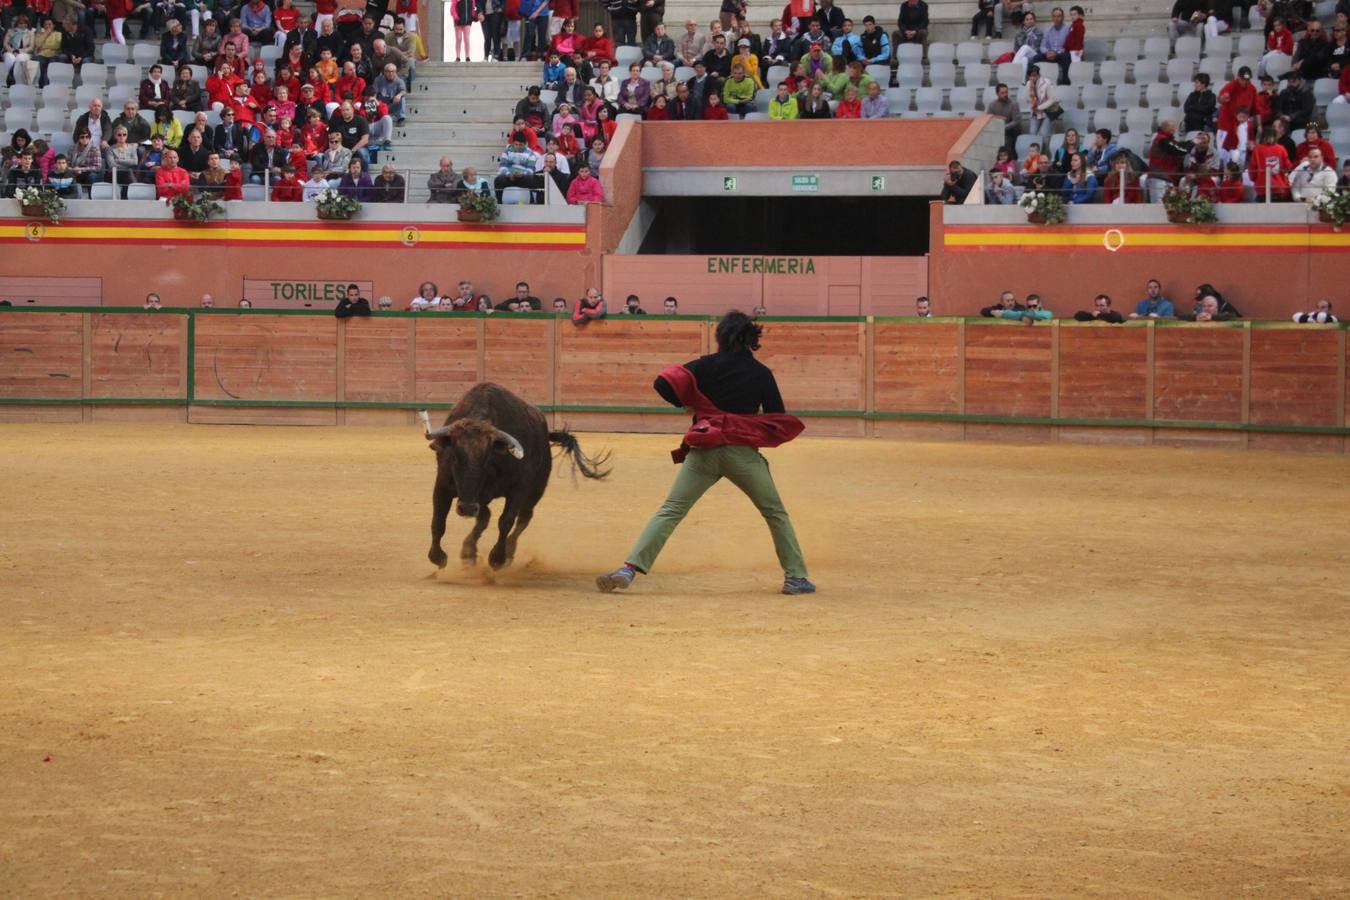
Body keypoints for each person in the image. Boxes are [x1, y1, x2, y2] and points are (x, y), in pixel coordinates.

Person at [596, 310, 814, 596]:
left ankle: (628, 568)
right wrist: (747, 423)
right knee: (774, 513)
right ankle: (795, 578)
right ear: (751, 339)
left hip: (703, 449)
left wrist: (688, 403)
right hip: (741, 454)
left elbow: (662, 382)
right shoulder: (761, 373)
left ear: (720, 337)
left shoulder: (705, 366)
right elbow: (777, 416)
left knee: (671, 510)